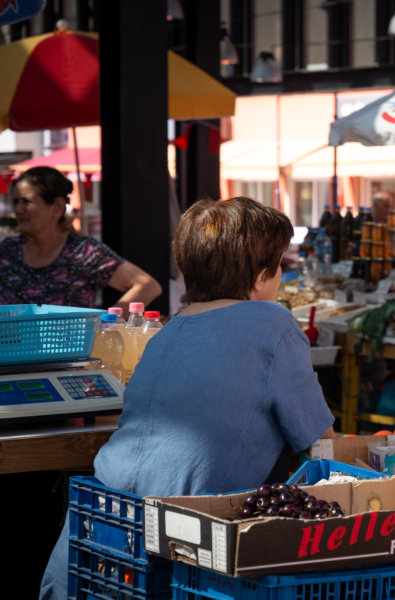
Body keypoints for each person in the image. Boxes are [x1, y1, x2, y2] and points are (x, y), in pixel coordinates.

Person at [39, 196, 335, 600]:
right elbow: (321, 442)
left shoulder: (170, 329)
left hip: (98, 523)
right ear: (259, 276)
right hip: (185, 539)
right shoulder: (273, 323)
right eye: (280, 265)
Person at [0, 166, 162, 313]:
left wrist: (103, 323)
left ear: (57, 207)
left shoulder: (84, 252)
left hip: (68, 346)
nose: (18, 210)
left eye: (26, 201)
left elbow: (148, 286)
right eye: (16, 202)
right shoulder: (7, 251)